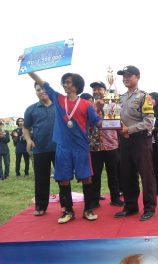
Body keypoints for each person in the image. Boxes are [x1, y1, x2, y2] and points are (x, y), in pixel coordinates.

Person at [25, 70, 101, 224]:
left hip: (81, 147)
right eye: (64, 82)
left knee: (86, 177)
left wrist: (117, 124)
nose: (65, 85)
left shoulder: (86, 105)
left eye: (68, 82)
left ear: (76, 86)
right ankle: (68, 211)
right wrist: (29, 69)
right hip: (63, 147)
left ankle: (88, 209)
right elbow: (42, 82)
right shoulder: (58, 98)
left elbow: (98, 123)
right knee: (63, 179)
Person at [113, 65, 157, 221]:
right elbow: (113, 117)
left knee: (146, 175)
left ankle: (150, 208)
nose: (125, 78)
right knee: (127, 174)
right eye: (123, 75)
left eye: (129, 75)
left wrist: (128, 130)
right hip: (125, 141)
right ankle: (130, 206)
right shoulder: (120, 98)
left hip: (140, 140)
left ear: (138, 77)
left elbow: (149, 122)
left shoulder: (145, 97)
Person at [87, 81, 124, 208]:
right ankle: (94, 200)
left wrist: (104, 108)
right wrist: (95, 108)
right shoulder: (88, 106)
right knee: (95, 175)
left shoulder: (113, 104)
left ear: (105, 91)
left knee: (113, 173)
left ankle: (115, 198)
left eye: (99, 89)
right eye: (94, 89)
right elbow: (86, 123)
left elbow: (116, 124)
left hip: (111, 145)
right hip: (94, 145)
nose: (96, 91)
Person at [23, 82, 56, 215]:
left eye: (43, 89)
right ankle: (40, 206)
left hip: (59, 148)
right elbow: (25, 128)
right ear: (35, 92)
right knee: (41, 178)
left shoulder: (58, 106)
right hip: (40, 148)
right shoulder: (31, 109)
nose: (41, 91)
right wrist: (29, 140)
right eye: (38, 90)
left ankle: (67, 206)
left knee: (62, 177)